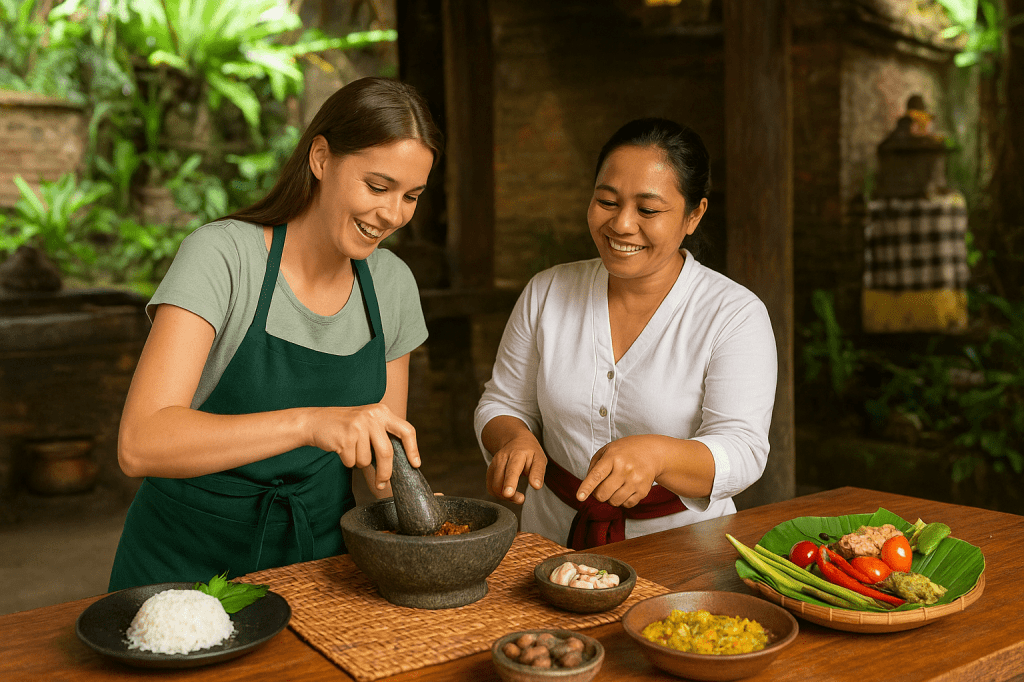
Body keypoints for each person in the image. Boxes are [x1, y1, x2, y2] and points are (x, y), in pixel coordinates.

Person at [108, 77, 443, 591]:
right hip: (178, 571)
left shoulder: (392, 284)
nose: (392, 215)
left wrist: (408, 503)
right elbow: (141, 442)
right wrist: (309, 424)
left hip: (320, 569)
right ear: (322, 159)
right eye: (378, 187)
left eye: (411, 196)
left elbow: (382, 457)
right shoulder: (223, 257)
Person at [474, 118, 777, 550]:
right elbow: (503, 402)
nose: (621, 224)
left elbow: (743, 449)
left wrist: (658, 456)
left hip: (684, 550)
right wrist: (514, 437)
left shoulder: (733, 314)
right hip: (547, 541)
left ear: (694, 215)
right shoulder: (547, 292)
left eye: (648, 210)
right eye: (606, 201)